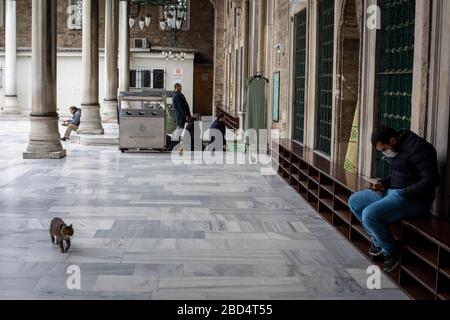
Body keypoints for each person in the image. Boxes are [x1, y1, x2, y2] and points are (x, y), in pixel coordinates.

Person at [348, 126, 440, 272]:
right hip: (392, 192)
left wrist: (403, 192)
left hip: (414, 200)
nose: (385, 154)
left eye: (384, 149)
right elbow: (401, 175)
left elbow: (431, 180)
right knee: (354, 201)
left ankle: (390, 249)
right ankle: (378, 240)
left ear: (392, 140)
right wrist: (383, 183)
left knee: (369, 215)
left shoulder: (419, 148)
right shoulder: (398, 147)